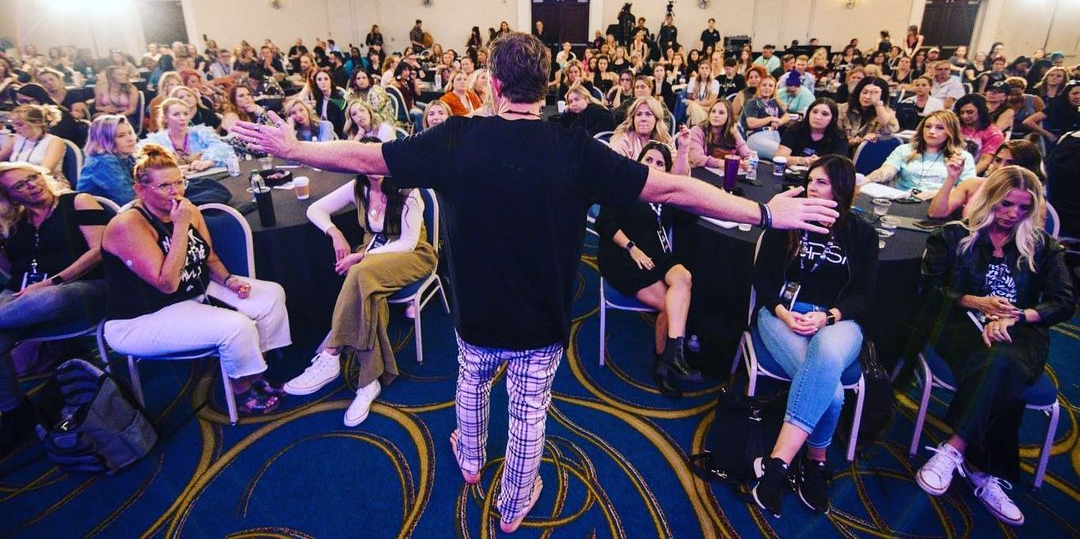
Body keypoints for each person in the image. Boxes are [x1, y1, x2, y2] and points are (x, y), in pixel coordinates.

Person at [232, 32, 839, 534]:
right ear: (545, 88)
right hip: (542, 322)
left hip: (475, 316)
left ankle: (471, 461)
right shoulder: (574, 149)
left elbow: (368, 158)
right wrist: (764, 212)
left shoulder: (456, 138)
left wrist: (294, 147)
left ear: (494, 86)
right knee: (527, 415)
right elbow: (674, 188)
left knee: (470, 386)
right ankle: (516, 500)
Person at [915, 167, 1074, 527]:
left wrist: (1019, 316)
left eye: (1023, 207)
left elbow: (1064, 301)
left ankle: (954, 448)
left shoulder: (1042, 245)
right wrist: (976, 301)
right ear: (990, 199)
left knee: (1002, 362)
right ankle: (983, 471)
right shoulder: (953, 236)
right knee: (1003, 372)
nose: (1013, 214)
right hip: (961, 322)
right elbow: (929, 291)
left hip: (1022, 330)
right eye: (1006, 204)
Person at [100, 145, 291, 416]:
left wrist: (228, 280)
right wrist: (180, 226)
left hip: (193, 293)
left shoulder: (186, 209)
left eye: (180, 182)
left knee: (271, 295)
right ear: (140, 190)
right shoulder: (128, 225)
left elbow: (208, 256)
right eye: (165, 186)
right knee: (237, 327)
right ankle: (240, 389)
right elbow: (167, 283)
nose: (176, 192)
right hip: (143, 317)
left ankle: (253, 371)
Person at [750, 155, 879, 517]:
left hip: (838, 320)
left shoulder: (862, 234)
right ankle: (815, 461)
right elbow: (762, 279)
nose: (811, 188)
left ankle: (776, 466)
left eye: (821, 182)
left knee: (826, 349)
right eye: (810, 181)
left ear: (841, 188)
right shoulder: (788, 220)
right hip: (782, 314)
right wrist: (783, 312)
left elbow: (863, 297)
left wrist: (828, 316)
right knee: (832, 392)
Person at [283, 138, 436, 424]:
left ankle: (332, 351)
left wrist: (362, 256)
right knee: (370, 295)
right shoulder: (359, 187)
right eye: (365, 157)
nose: (372, 164)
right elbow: (315, 209)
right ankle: (369, 383)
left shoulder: (408, 190)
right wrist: (335, 233)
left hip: (411, 255)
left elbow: (407, 243)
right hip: (372, 256)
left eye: (378, 156)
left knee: (359, 273)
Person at [0, 163, 109, 452]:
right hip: (24, 298)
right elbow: (11, 273)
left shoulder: (78, 201)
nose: (32, 185)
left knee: (47, 299)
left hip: (82, 288)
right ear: (9, 197)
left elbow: (99, 250)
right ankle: (14, 410)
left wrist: (53, 281)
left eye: (33, 177)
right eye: (20, 185)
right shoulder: (15, 223)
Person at [596, 142, 697, 397]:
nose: (653, 166)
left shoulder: (665, 194)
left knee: (684, 278)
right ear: (638, 162)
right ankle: (663, 364)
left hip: (659, 257)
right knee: (668, 304)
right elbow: (604, 222)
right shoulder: (624, 188)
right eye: (648, 160)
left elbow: (689, 216)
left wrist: (683, 163)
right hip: (624, 258)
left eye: (660, 163)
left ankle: (673, 354)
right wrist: (632, 248)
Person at [861, 110, 975, 195]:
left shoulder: (962, 157)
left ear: (951, 132)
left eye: (940, 128)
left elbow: (965, 189)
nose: (932, 131)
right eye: (928, 126)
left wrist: (932, 195)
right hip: (903, 199)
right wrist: (867, 179)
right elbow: (887, 171)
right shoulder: (905, 149)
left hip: (938, 203)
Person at [927, 140, 1044, 220]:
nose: (1000, 167)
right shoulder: (972, 185)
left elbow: (1033, 239)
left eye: (1011, 163)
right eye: (998, 160)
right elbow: (935, 213)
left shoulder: (1033, 200)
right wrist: (951, 177)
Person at [142, 98, 236, 171]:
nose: (182, 118)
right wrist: (170, 171)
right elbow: (146, 166)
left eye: (185, 114)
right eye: (176, 114)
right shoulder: (155, 142)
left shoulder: (201, 133)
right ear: (165, 118)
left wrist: (209, 162)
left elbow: (225, 150)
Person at [610, 97, 688, 176]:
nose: (643, 119)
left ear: (656, 119)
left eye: (648, 114)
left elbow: (680, 176)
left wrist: (683, 148)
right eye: (638, 114)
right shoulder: (621, 141)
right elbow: (618, 175)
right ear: (633, 119)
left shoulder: (665, 138)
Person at [77, 115, 139, 207]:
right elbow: (128, 199)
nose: (130, 139)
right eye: (121, 136)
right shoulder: (104, 161)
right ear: (104, 140)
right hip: (104, 214)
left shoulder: (127, 157)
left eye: (130, 133)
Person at [0, 104, 68, 185]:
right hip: (19, 183)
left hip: (46, 183)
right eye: (13, 124)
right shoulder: (16, 138)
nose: (15, 128)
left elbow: (44, 171)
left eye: (20, 125)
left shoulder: (55, 141)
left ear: (37, 123)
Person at [774, 98, 850, 168]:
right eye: (814, 112)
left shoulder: (840, 136)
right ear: (808, 113)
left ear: (833, 118)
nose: (817, 117)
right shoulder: (794, 129)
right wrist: (804, 160)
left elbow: (839, 165)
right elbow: (780, 157)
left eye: (825, 114)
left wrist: (819, 162)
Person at [687, 98, 751, 169]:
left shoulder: (733, 132)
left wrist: (748, 161)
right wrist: (723, 163)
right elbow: (697, 158)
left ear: (728, 116)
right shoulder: (697, 131)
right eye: (713, 111)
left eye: (721, 113)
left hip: (721, 172)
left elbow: (747, 153)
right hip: (698, 171)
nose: (716, 115)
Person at [740, 75, 792, 160]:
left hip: (774, 135)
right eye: (764, 85)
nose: (767, 88)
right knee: (782, 155)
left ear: (774, 89)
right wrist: (770, 118)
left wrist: (779, 121)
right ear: (759, 87)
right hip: (757, 137)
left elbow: (787, 116)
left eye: (770, 86)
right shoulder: (753, 103)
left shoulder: (773, 102)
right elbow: (751, 123)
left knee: (789, 151)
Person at [838, 77, 898, 145]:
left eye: (874, 94)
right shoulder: (842, 109)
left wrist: (878, 105)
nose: (867, 97)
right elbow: (836, 139)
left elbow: (892, 129)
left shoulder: (885, 111)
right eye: (864, 92)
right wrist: (859, 140)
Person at [955, 94, 1004, 174]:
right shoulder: (956, 127)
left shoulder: (994, 133)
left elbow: (984, 160)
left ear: (981, 111)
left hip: (975, 173)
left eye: (970, 112)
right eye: (961, 113)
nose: (965, 116)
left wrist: (966, 177)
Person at [551, 82, 615, 136]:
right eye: (570, 102)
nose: (573, 104)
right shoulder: (575, 113)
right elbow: (562, 131)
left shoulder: (596, 111)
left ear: (586, 99)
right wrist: (566, 113)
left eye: (577, 99)